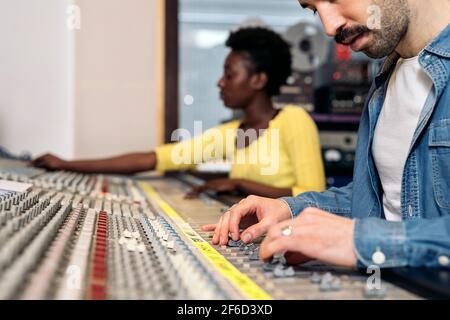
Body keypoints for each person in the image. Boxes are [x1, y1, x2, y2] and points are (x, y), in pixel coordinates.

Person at [204, 0, 450, 269]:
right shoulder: (388, 75)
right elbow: (384, 202)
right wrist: (290, 209)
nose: (329, 27)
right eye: (313, 9)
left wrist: (362, 241)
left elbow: (380, 232)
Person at [33, 27, 325, 199]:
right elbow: (156, 158)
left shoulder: (294, 120)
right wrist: (67, 164)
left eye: (229, 74)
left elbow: (314, 196)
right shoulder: (232, 132)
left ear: (258, 80)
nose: (220, 82)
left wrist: (240, 184)